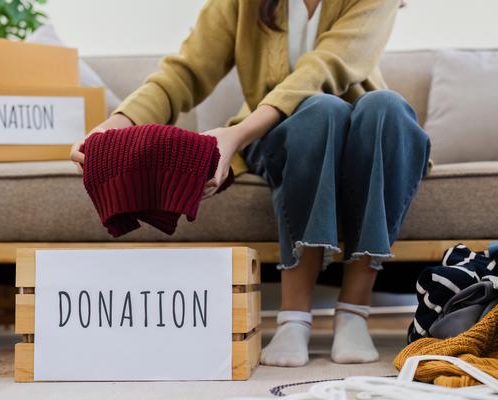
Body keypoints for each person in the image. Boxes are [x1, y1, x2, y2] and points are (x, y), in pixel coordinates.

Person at [70, 0, 431, 367]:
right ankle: (294, 317)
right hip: (283, 137)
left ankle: (354, 311)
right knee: (322, 112)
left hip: (363, 138)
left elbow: (324, 67)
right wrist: (115, 125)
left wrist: (236, 135)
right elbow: (184, 72)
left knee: (386, 106)